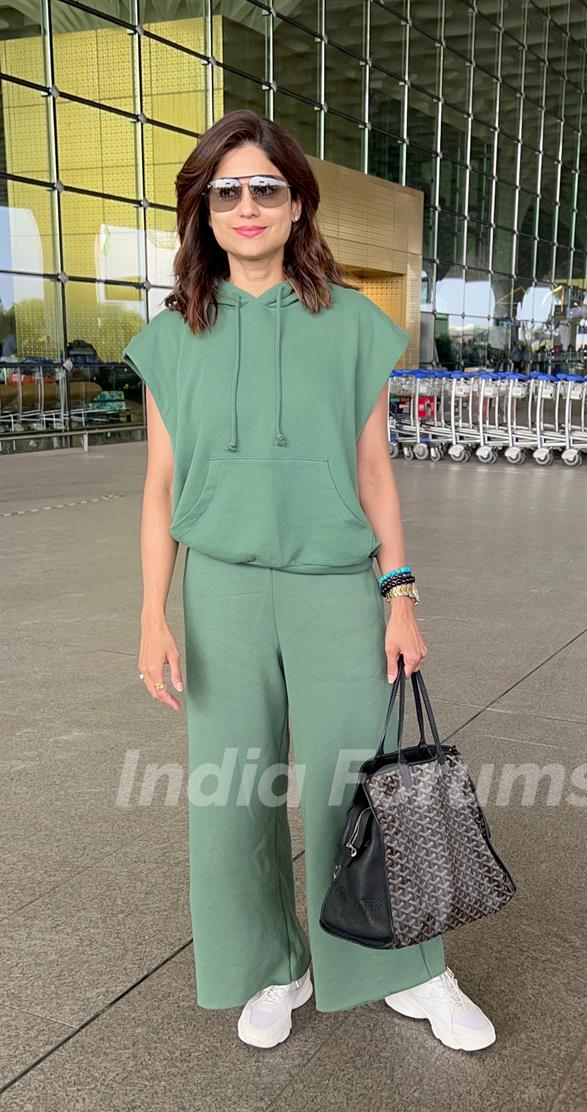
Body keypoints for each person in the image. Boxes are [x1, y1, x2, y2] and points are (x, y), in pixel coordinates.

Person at [122, 109, 496, 1054]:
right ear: (204, 213)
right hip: (223, 594)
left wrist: (399, 594)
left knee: (358, 783)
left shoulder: (353, 326)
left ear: (297, 208)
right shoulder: (171, 340)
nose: (247, 206)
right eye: (227, 191)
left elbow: (374, 472)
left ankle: (407, 970)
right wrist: (151, 615)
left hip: (336, 587)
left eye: (266, 189)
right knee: (231, 799)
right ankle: (269, 965)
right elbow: (160, 486)